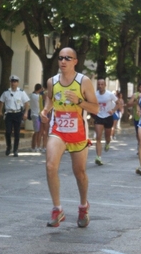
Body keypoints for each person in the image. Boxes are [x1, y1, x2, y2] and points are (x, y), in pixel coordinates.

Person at [40, 47, 98, 228]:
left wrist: (79, 101)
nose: (63, 61)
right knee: (50, 165)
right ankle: (57, 210)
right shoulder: (52, 81)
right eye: (60, 58)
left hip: (78, 131)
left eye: (67, 58)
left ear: (75, 61)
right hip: (58, 130)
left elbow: (95, 109)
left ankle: (83, 206)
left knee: (79, 172)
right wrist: (45, 109)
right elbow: (50, 98)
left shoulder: (84, 81)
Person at [0, 75, 30, 157]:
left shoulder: (21, 92)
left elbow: (27, 103)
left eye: (15, 82)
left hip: (18, 114)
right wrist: (0, 110)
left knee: (17, 133)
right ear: (10, 82)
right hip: (9, 114)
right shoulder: (6, 92)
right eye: (12, 81)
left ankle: (15, 149)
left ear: (18, 83)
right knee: (8, 132)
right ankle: (8, 146)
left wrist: (26, 113)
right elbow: (1, 102)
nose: (13, 83)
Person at [91, 79, 119, 166]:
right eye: (99, 84)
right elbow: (91, 104)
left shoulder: (110, 94)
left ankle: (107, 142)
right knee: (98, 137)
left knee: (107, 136)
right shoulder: (95, 94)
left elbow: (118, 103)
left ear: (105, 85)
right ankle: (98, 157)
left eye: (102, 84)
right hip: (99, 116)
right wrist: (93, 112)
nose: (100, 86)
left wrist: (113, 110)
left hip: (108, 116)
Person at [127, 82, 141, 154]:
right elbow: (129, 104)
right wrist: (135, 102)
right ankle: (139, 144)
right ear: (139, 88)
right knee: (138, 133)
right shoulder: (135, 95)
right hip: (137, 117)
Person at [29, 83, 43, 152]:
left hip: (34, 114)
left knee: (36, 131)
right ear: (39, 89)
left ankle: (34, 146)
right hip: (36, 115)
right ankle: (35, 146)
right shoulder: (38, 97)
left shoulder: (31, 95)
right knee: (37, 131)